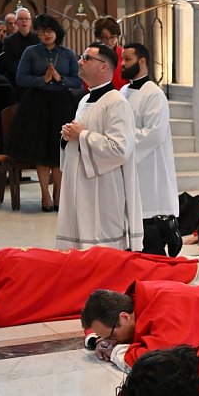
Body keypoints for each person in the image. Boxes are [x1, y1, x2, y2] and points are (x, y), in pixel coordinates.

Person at [0, 246, 199, 327]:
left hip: (95, 272)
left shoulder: (8, 274)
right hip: (92, 266)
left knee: (159, 279)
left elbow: (2, 313)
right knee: (158, 270)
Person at [56, 42, 141, 250]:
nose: (80, 62)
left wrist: (82, 135)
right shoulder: (85, 99)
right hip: (80, 184)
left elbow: (120, 149)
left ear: (104, 67)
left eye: (86, 58)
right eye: (81, 57)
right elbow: (79, 137)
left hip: (103, 188)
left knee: (100, 247)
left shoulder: (116, 102)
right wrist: (67, 137)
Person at [7, 13, 80, 213]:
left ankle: (58, 194)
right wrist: (42, 80)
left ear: (56, 32)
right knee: (41, 151)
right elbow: (20, 78)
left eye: (48, 31)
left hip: (61, 104)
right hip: (36, 105)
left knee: (59, 151)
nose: (45, 35)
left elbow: (77, 81)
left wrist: (59, 79)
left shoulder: (67, 53)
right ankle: (45, 195)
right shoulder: (31, 52)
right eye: (41, 32)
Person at [119, 42, 181, 258]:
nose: (123, 64)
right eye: (122, 59)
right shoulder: (123, 91)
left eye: (127, 59)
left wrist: (121, 144)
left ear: (142, 61)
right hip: (128, 161)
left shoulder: (154, 94)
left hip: (148, 163)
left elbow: (154, 133)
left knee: (148, 217)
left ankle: (162, 239)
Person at [0, 8, 40, 93]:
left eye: (27, 19)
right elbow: (8, 62)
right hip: (16, 80)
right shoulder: (9, 41)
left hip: (34, 80)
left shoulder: (38, 39)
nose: (24, 21)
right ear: (16, 22)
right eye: (21, 19)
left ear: (30, 22)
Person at [92, 16, 128, 91]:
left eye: (112, 37)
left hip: (121, 95)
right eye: (105, 37)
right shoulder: (92, 54)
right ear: (99, 37)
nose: (109, 41)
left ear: (117, 36)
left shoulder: (124, 54)